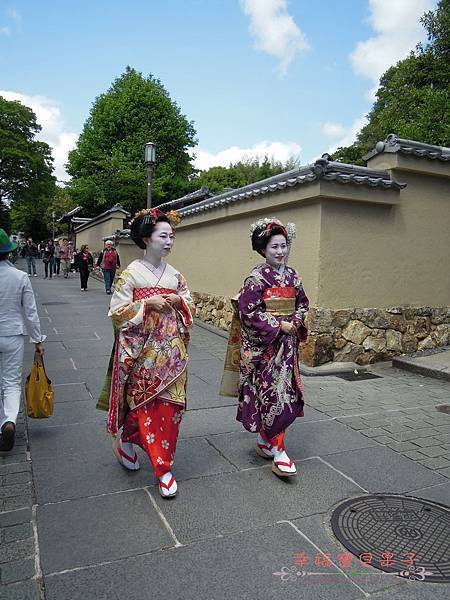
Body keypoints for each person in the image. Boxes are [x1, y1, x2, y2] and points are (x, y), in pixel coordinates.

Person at [97, 208, 193, 498]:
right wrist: (148, 304)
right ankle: (162, 469)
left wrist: (177, 299)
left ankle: (145, 451)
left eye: (171, 236)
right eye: (163, 236)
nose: (169, 241)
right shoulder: (131, 274)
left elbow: (189, 303)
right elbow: (116, 312)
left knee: (171, 407)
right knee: (145, 404)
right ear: (146, 239)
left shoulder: (175, 275)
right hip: (143, 351)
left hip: (172, 354)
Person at [222, 217, 309, 477]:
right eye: (274, 247)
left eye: (284, 246)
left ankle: (265, 441)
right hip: (266, 348)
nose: (280, 252)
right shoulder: (256, 278)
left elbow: (303, 303)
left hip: (288, 348)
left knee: (287, 393)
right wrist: (278, 325)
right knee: (274, 396)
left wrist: (295, 320)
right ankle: (280, 452)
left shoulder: (294, 276)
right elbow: (249, 312)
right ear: (263, 249)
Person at [0, 229, 45, 451]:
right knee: (10, 382)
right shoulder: (20, 277)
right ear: (9, 252)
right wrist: (37, 339)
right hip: (11, 334)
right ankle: (8, 420)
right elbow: (30, 312)